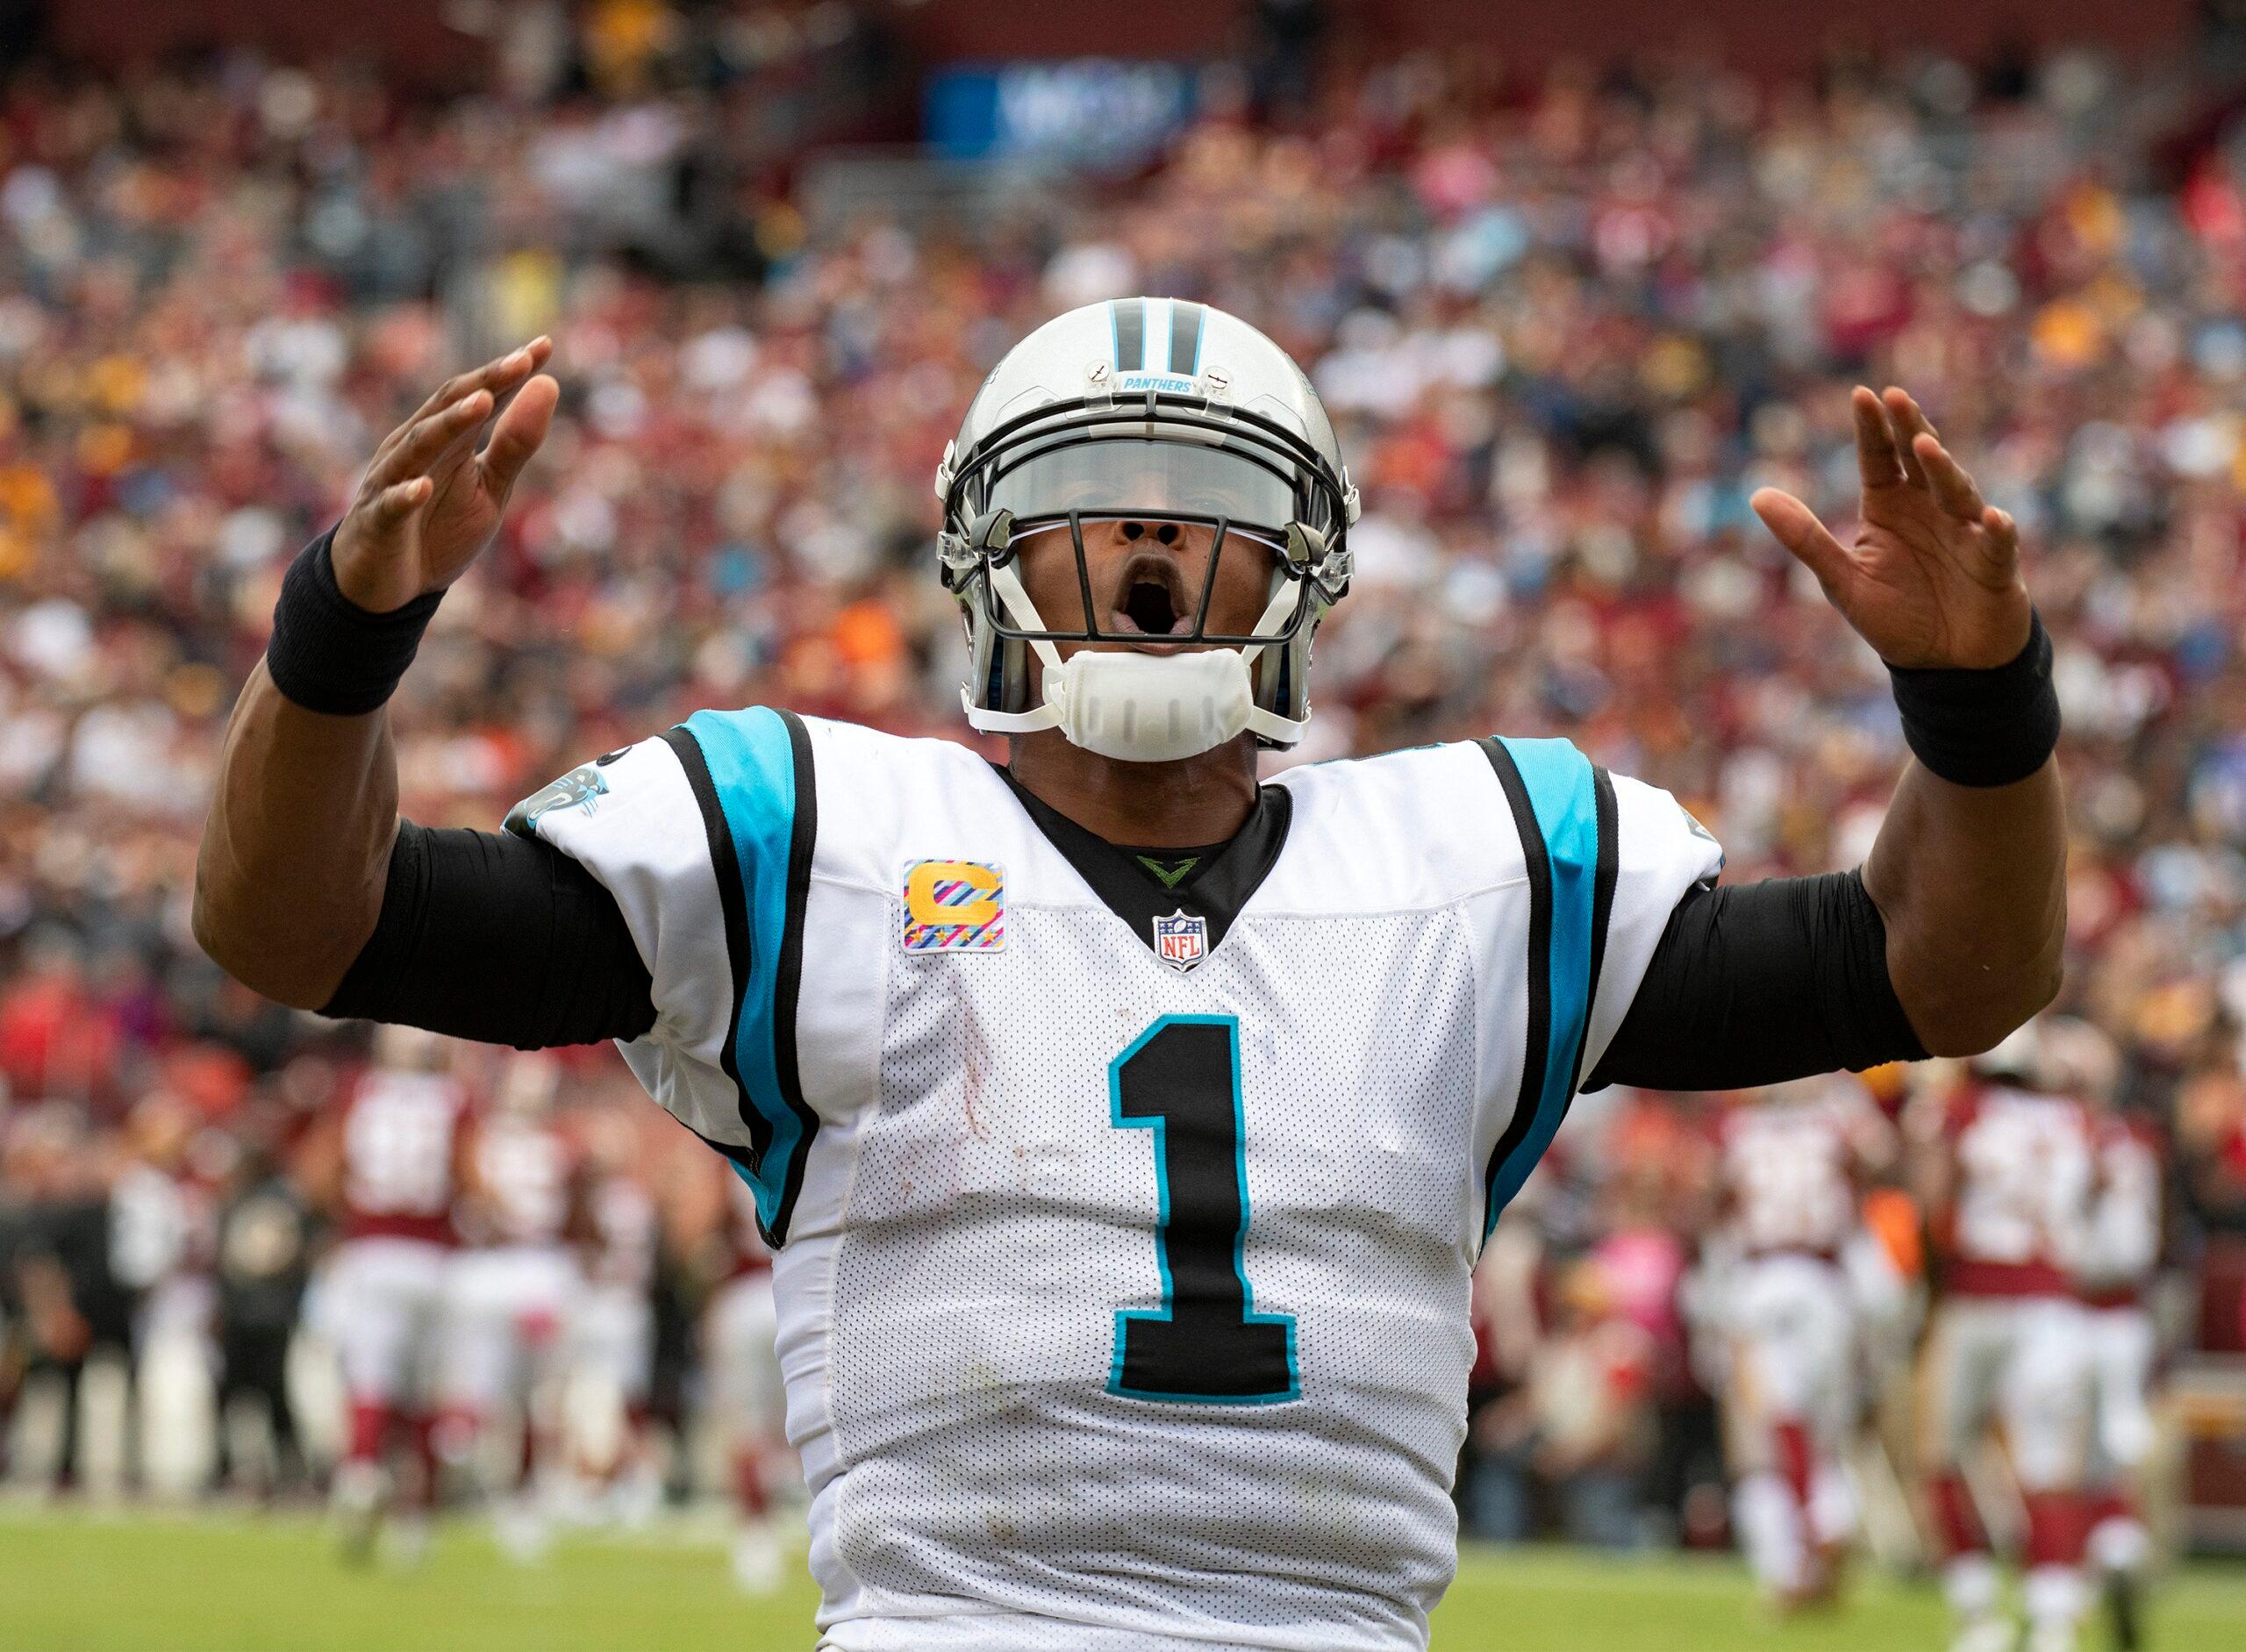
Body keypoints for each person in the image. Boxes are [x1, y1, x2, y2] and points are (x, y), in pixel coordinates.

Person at [195, 302, 2064, 1648]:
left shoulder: (1476, 861)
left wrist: (1974, 708)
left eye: (1208, 496)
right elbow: (300, 922)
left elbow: (1941, 971)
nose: (1159, 533)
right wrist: (345, 634)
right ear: (988, 551)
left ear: (1303, 563)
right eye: (1102, 489)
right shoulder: (803, 828)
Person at [1914, 1020, 2100, 1652]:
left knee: (1940, 1453)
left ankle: (1978, 1614)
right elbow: (2096, 1194)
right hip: (2054, 1302)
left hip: (1979, 1298)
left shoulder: (1964, 1112)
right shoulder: (2075, 1120)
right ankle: (2053, 1619)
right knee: (2048, 1465)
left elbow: (1934, 1200)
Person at [1711, 1074, 1896, 1608]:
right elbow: (1882, 1160)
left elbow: (1717, 1208)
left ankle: (1815, 1530)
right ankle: (1822, 1529)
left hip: (1762, 1279)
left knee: (1775, 1424)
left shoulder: (1739, 1128)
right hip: (1826, 1282)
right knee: (1821, 1428)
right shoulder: (1835, 1121)